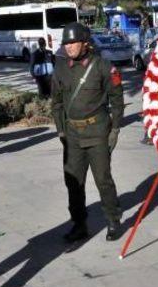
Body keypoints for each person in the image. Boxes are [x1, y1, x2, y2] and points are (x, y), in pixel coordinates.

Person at [51, 22, 124, 242]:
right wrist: (61, 131)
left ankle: (113, 220)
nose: (68, 47)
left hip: (97, 132)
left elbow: (117, 99)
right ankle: (79, 224)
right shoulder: (61, 68)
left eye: (73, 42)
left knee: (103, 179)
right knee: (73, 182)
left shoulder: (103, 67)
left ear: (85, 43)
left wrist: (116, 129)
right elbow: (56, 102)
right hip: (72, 134)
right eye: (66, 43)